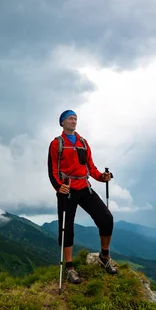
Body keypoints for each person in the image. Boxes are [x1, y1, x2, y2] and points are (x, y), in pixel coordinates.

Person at [48, 109, 117, 284]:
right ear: (62, 122)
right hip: (67, 189)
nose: (73, 121)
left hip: (84, 186)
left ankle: (104, 256)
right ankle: (70, 267)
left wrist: (102, 177)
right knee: (66, 228)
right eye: (70, 118)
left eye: (75, 118)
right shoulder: (57, 144)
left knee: (106, 218)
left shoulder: (83, 143)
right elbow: (53, 170)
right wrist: (58, 187)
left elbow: (91, 167)